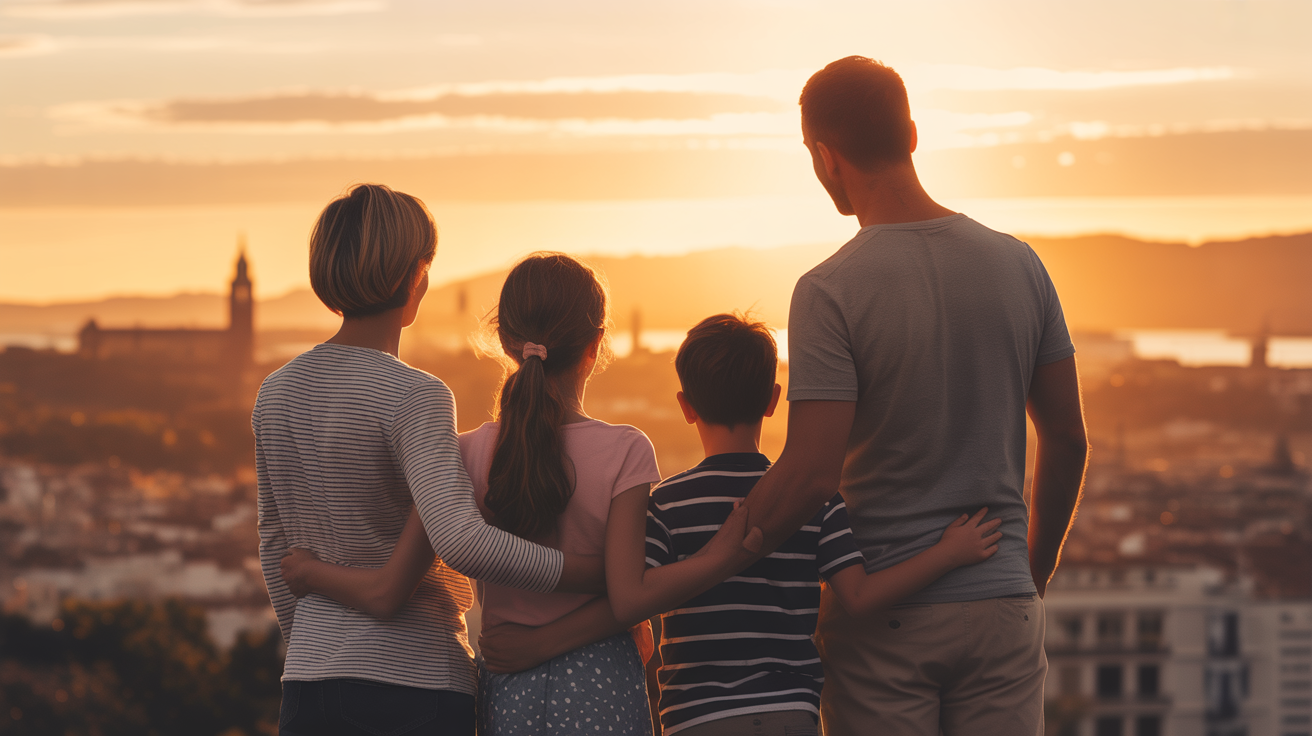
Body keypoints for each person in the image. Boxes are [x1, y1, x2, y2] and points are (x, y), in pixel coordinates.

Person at [735, 57, 1091, 736]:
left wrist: (721, 551)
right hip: (1003, 603)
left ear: (823, 155)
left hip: (883, 614)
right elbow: (1068, 440)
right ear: (914, 136)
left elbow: (811, 474)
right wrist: (1029, 572)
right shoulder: (1021, 264)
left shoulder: (829, 290)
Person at [279, 253, 759, 736]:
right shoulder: (626, 450)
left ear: (506, 342)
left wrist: (310, 571)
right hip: (604, 688)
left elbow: (394, 579)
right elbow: (630, 593)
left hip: (509, 691)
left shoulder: (464, 453)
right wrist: (722, 555)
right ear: (596, 344)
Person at [476, 313, 1002, 736]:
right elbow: (860, 597)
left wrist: (541, 641)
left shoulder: (667, 504)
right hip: (790, 711)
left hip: (695, 715)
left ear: (685, 407)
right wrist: (949, 552)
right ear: (774, 401)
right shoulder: (812, 498)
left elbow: (628, 596)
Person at [255, 187, 610, 736]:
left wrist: (317, 646)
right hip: (413, 684)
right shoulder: (415, 394)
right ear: (415, 277)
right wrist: (589, 573)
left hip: (309, 682)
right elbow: (460, 539)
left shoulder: (275, 393)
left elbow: (274, 545)